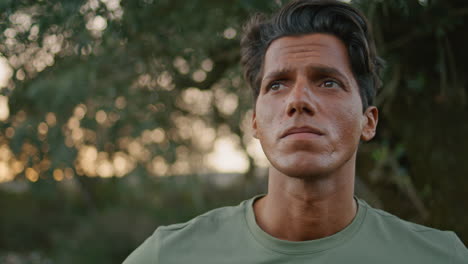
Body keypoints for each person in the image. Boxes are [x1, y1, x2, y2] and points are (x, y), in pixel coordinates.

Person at [123, 0, 468, 263]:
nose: (298, 100)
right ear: (255, 122)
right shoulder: (167, 256)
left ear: (369, 121)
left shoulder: (441, 256)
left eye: (328, 82)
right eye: (277, 85)